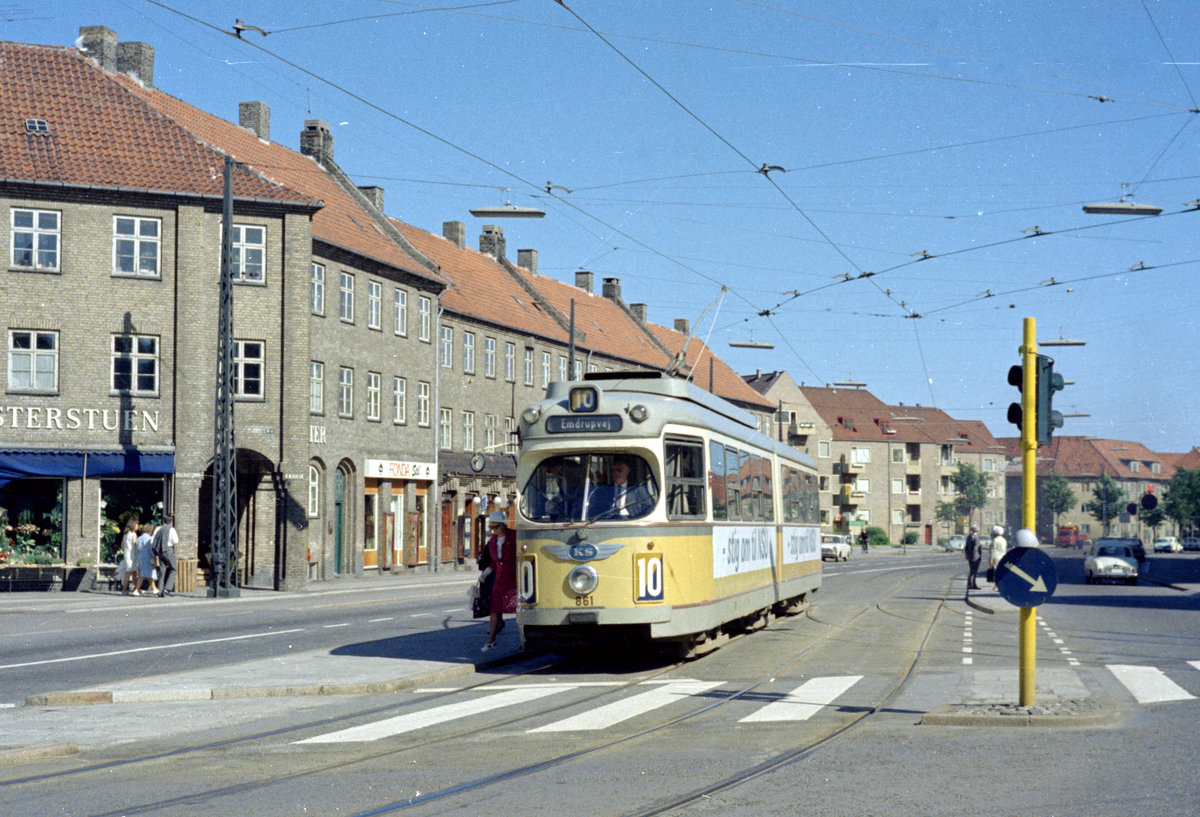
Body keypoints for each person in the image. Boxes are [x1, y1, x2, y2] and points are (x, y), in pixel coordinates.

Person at [481, 511, 517, 652]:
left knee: (518, 609)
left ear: (503, 526)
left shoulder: (514, 537)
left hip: (514, 579)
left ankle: (524, 638)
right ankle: (491, 640)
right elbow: (495, 562)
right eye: (491, 528)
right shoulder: (492, 541)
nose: (493, 530)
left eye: (495, 527)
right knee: (494, 610)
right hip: (500, 580)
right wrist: (485, 574)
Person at [587, 457, 656, 520]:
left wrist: (636, 519)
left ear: (628, 471)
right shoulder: (603, 490)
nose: (616, 473)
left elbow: (649, 508)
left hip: (631, 523)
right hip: (608, 524)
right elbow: (595, 510)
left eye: (619, 470)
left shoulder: (637, 489)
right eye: (613, 470)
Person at [152, 514, 179, 597]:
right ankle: (167, 589)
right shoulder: (171, 529)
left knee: (162, 570)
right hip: (168, 550)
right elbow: (175, 541)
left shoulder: (158, 529)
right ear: (171, 521)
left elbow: (153, 540)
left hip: (160, 551)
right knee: (174, 569)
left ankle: (160, 590)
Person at [134, 523, 159, 596]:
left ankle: (154, 589)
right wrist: (155, 559)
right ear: (150, 531)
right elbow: (151, 550)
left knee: (146, 574)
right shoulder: (150, 539)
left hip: (140, 558)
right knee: (145, 574)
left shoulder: (138, 539)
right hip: (148, 558)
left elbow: (137, 550)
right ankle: (137, 590)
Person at [117, 517, 140, 595]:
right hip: (132, 555)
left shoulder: (125, 534)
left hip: (126, 554)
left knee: (133, 572)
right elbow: (134, 545)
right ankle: (126, 590)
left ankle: (136, 588)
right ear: (134, 526)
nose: (138, 526)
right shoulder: (134, 534)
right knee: (131, 573)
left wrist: (126, 551)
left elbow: (122, 545)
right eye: (137, 525)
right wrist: (137, 553)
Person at [964, 524, 981, 590]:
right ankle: (972, 584)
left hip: (970, 556)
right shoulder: (976, 537)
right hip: (975, 556)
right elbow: (976, 547)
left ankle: (972, 584)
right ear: (976, 530)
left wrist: (967, 554)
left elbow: (966, 547)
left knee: (972, 570)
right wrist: (976, 556)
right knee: (974, 571)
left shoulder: (969, 536)